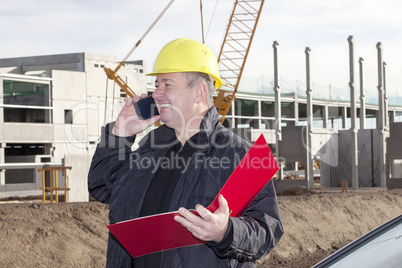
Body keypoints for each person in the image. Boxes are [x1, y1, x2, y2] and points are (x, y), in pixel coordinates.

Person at [88, 38, 284, 267]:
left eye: (167, 84)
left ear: (199, 92)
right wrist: (120, 134)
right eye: (157, 85)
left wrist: (226, 231)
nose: (157, 94)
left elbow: (267, 229)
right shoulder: (148, 150)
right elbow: (101, 187)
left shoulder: (241, 155)